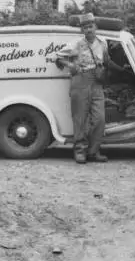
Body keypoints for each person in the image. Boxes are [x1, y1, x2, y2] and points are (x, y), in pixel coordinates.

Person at [55, 13, 130, 164]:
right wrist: (71, 65)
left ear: (95, 27)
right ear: (82, 30)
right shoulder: (76, 44)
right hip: (80, 80)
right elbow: (57, 57)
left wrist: (122, 70)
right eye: (85, 27)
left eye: (90, 26)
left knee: (99, 118)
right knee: (80, 119)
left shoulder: (102, 43)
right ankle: (80, 151)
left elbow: (107, 61)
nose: (88, 30)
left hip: (97, 83)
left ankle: (94, 151)